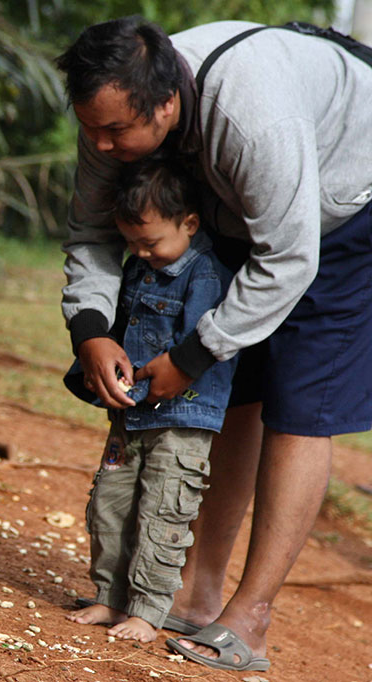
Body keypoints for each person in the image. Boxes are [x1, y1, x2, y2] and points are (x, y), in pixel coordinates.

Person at [55, 16, 372, 672]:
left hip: (344, 200)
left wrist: (192, 356)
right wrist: (91, 334)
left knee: (299, 398)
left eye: (114, 131)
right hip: (244, 202)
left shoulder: (255, 120)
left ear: (166, 104)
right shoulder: (115, 115)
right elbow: (90, 233)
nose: (100, 144)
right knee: (238, 388)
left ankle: (251, 619)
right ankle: (196, 594)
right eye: (91, 127)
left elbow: (289, 257)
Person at [62, 158, 237, 644]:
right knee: (110, 505)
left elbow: (202, 345)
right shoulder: (140, 264)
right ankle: (109, 596)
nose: (140, 253)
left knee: (164, 510)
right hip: (129, 415)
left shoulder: (206, 275)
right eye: (131, 244)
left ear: (190, 224)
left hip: (183, 418)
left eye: (151, 242)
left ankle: (148, 608)